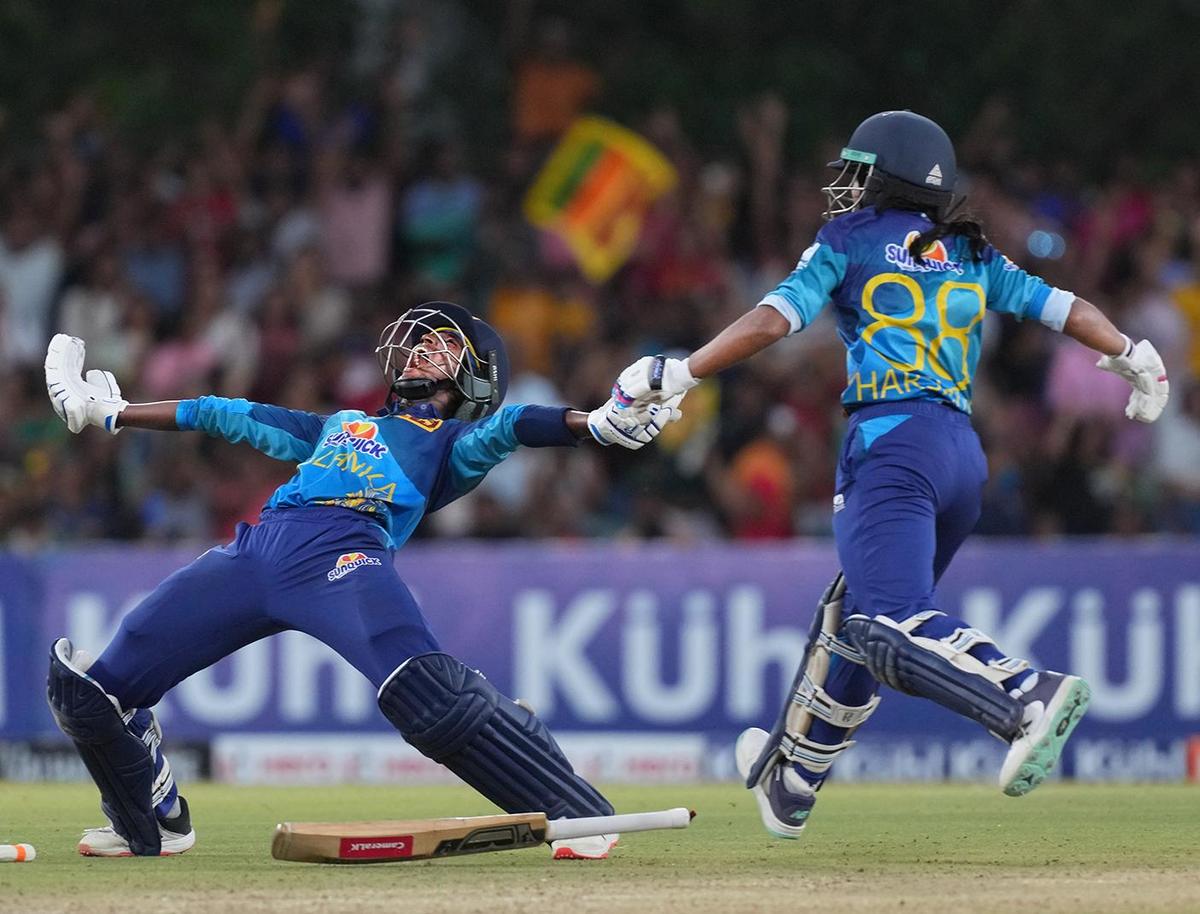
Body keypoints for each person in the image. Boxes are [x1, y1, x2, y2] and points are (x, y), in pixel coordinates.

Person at [609, 111, 1170, 838]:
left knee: (888, 624)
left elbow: (773, 321)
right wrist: (1131, 351)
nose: (847, 185)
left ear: (885, 177)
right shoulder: (970, 252)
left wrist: (683, 372)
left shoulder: (848, 239)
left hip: (892, 444)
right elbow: (1065, 309)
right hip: (961, 457)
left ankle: (1028, 692)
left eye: (859, 171)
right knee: (857, 615)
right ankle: (794, 780)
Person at [43, 300, 679, 860]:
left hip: (347, 557)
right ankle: (152, 821)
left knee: (424, 697)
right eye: (422, 337)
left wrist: (592, 422)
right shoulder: (338, 426)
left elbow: (515, 426)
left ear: (476, 378)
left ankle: (578, 811)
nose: (423, 346)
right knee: (92, 693)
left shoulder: (453, 444)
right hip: (258, 551)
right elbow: (225, 413)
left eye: (445, 343)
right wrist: (113, 413)